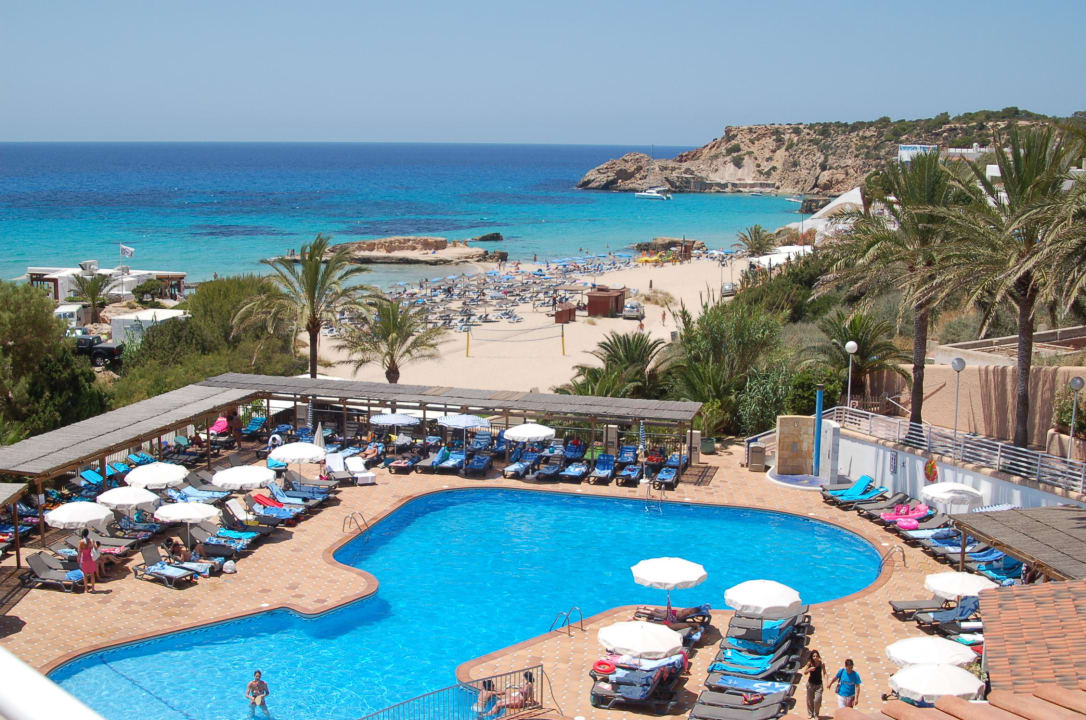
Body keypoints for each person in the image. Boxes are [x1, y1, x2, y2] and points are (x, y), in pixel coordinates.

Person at [803, 649, 825, 718]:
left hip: (819, 685)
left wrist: (827, 682)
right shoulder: (810, 663)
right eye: (813, 656)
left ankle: (816, 714)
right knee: (810, 700)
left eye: (816, 656)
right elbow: (805, 672)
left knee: (817, 700)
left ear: (818, 656)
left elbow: (824, 673)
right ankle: (810, 713)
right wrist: (809, 669)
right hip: (811, 684)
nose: (815, 657)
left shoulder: (821, 664)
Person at [77, 528, 97, 593]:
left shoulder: (81, 542)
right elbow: (95, 548)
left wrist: (78, 558)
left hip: (84, 559)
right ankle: (93, 589)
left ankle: (86, 589)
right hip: (90, 559)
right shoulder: (91, 540)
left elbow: (79, 552)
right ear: (88, 534)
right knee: (92, 575)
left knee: (85, 575)